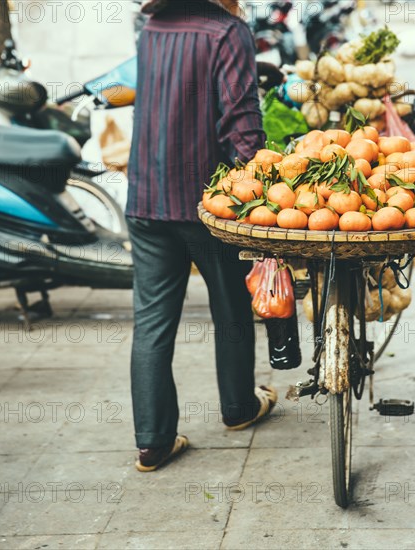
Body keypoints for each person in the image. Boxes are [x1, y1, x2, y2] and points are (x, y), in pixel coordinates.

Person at [126, 0, 277, 473]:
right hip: (204, 202)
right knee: (231, 304)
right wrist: (261, 186)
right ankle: (238, 408)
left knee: (151, 320)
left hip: (146, 197)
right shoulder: (225, 31)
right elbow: (243, 122)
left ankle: (152, 443)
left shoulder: (151, 26)